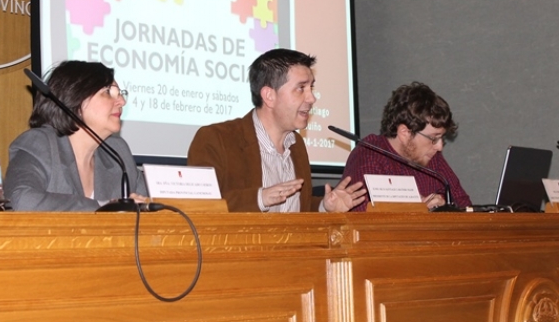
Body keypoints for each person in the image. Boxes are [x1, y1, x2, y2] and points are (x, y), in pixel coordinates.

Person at [187, 48, 367, 212]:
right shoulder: (216, 139)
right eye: (301, 88)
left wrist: (324, 207)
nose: (312, 98)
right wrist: (260, 198)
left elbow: (297, 211)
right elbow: (199, 207)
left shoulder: (296, 145)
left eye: (311, 87)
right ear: (269, 96)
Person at [4, 61, 147, 211]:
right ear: (75, 97)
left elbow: (149, 206)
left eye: (121, 94)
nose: (122, 102)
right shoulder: (40, 144)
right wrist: (103, 207)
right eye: (107, 92)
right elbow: (20, 199)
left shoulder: (118, 152)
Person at [342, 82, 472, 211]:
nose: (439, 147)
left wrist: (446, 208)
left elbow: (466, 207)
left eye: (441, 138)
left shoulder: (432, 158)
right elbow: (364, 219)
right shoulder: (369, 155)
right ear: (405, 133)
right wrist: (418, 212)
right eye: (433, 138)